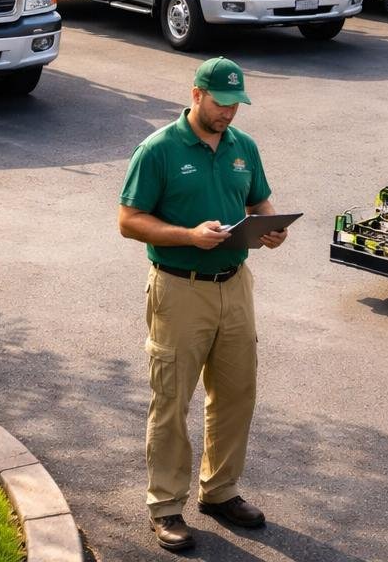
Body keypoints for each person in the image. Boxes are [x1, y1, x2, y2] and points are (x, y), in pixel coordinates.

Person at [118, 57, 288, 553]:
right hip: (179, 288)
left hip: (235, 285)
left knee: (237, 393)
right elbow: (129, 220)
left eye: (236, 105)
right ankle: (166, 505)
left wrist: (270, 228)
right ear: (196, 94)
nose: (229, 114)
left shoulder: (243, 148)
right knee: (172, 400)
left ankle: (220, 491)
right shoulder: (158, 150)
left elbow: (259, 203)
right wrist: (188, 236)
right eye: (220, 103)